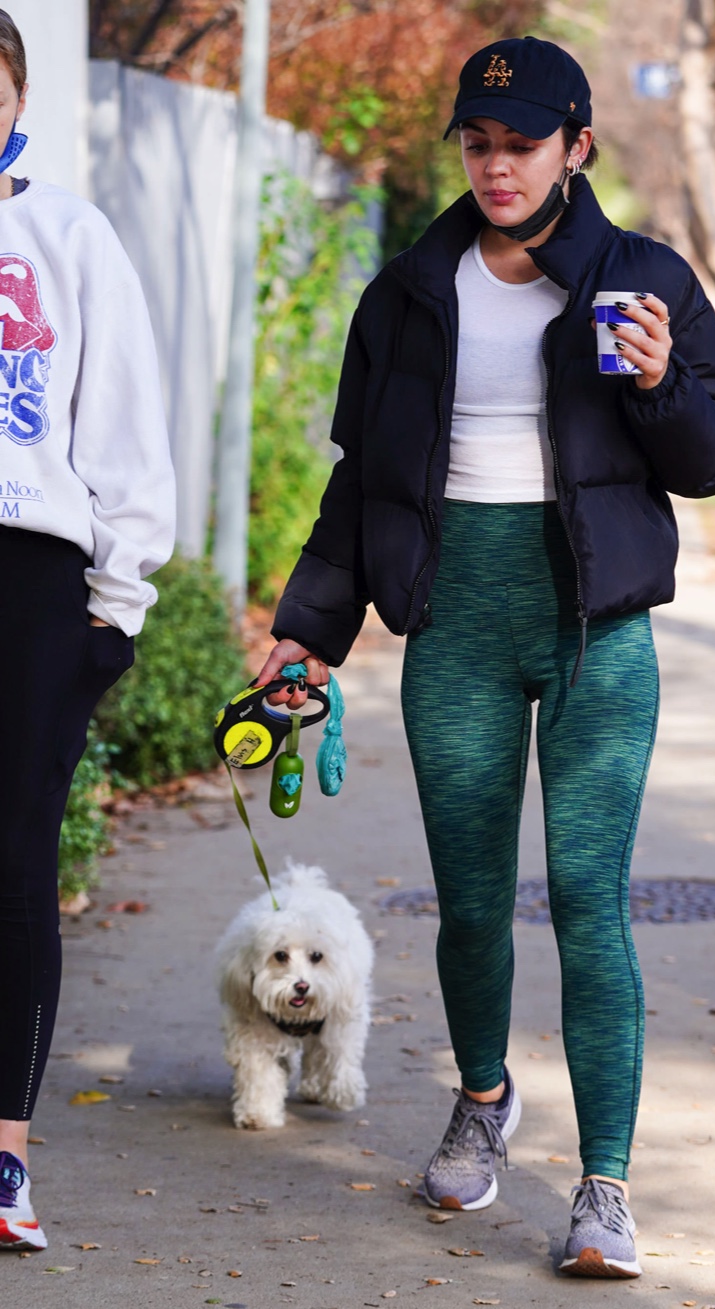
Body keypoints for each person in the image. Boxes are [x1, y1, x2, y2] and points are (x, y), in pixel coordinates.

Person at [257, 35, 715, 1279]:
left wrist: (656, 383)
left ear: (577, 148)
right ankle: (484, 1099)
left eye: (522, 144)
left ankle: (604, 1187)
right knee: (474, 901)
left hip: (596, 632)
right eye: (478, 144)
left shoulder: (644, 279)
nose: (496, 166)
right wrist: (308, 632)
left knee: (592, 903)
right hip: (457, 634)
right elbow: (360, 480)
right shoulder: (409, 290)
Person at [0, 9, 175, 1251]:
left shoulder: (64, 234)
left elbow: (121, 428)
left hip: (26, 579)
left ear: (15, 100)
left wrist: (114, 612)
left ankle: (2, 1158)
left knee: (9, 870)